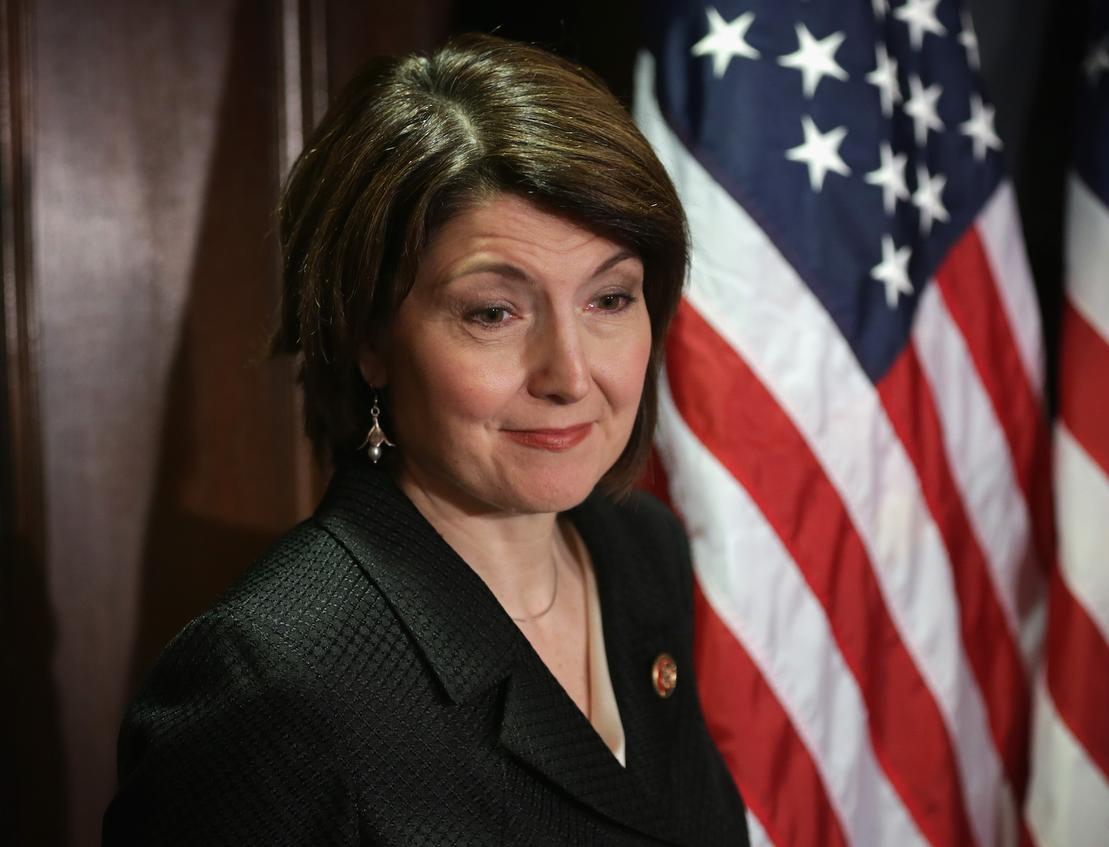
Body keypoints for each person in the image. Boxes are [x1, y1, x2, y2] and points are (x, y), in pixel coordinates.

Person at [102, 33, 750, 846]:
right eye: (493, 311)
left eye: (610, 298)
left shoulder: (641, 553)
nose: (571, 374)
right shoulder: (270, 679)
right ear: (369, 336)